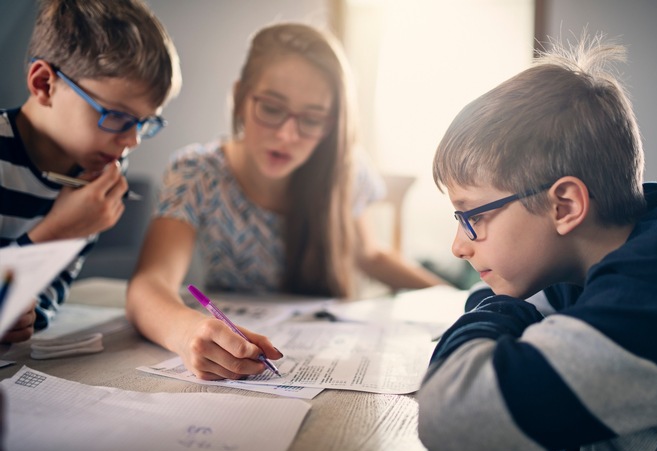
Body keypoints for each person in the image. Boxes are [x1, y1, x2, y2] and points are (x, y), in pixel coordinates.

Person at [417, 34, 657, 451]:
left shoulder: (655, 307)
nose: (459, 246)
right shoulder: (591, 268)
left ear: (565, 206)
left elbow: (452, 407)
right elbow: (492, 321)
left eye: (470, 215)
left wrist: (498, 306)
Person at [126, 22, 446, 381]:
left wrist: (453, 296)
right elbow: (149, 285)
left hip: (332, 353)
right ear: (240, 97)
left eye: (312, 119)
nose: (287, 134)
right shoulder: (197, 172)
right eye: (272, 108)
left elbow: (369, 255)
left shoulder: (344, 171)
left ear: (332, 124)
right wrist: (188, 333)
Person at [0, 0, 181, 343]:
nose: (132, 141)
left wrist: (26, 316)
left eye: (145, 123)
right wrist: (58, 230)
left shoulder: (96, 171)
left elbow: (52, 292)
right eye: (117, 116)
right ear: (44, 84)